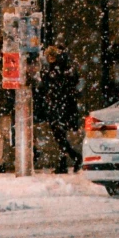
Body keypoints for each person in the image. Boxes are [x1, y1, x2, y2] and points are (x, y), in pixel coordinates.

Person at [34, 43, 83, 172]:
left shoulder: (57, 70)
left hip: (59, 106)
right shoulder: (63, 69)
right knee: (60, 135)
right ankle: (68, 159)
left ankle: (71, 159)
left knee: (59, 135)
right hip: (60, 106)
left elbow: (51, 87)